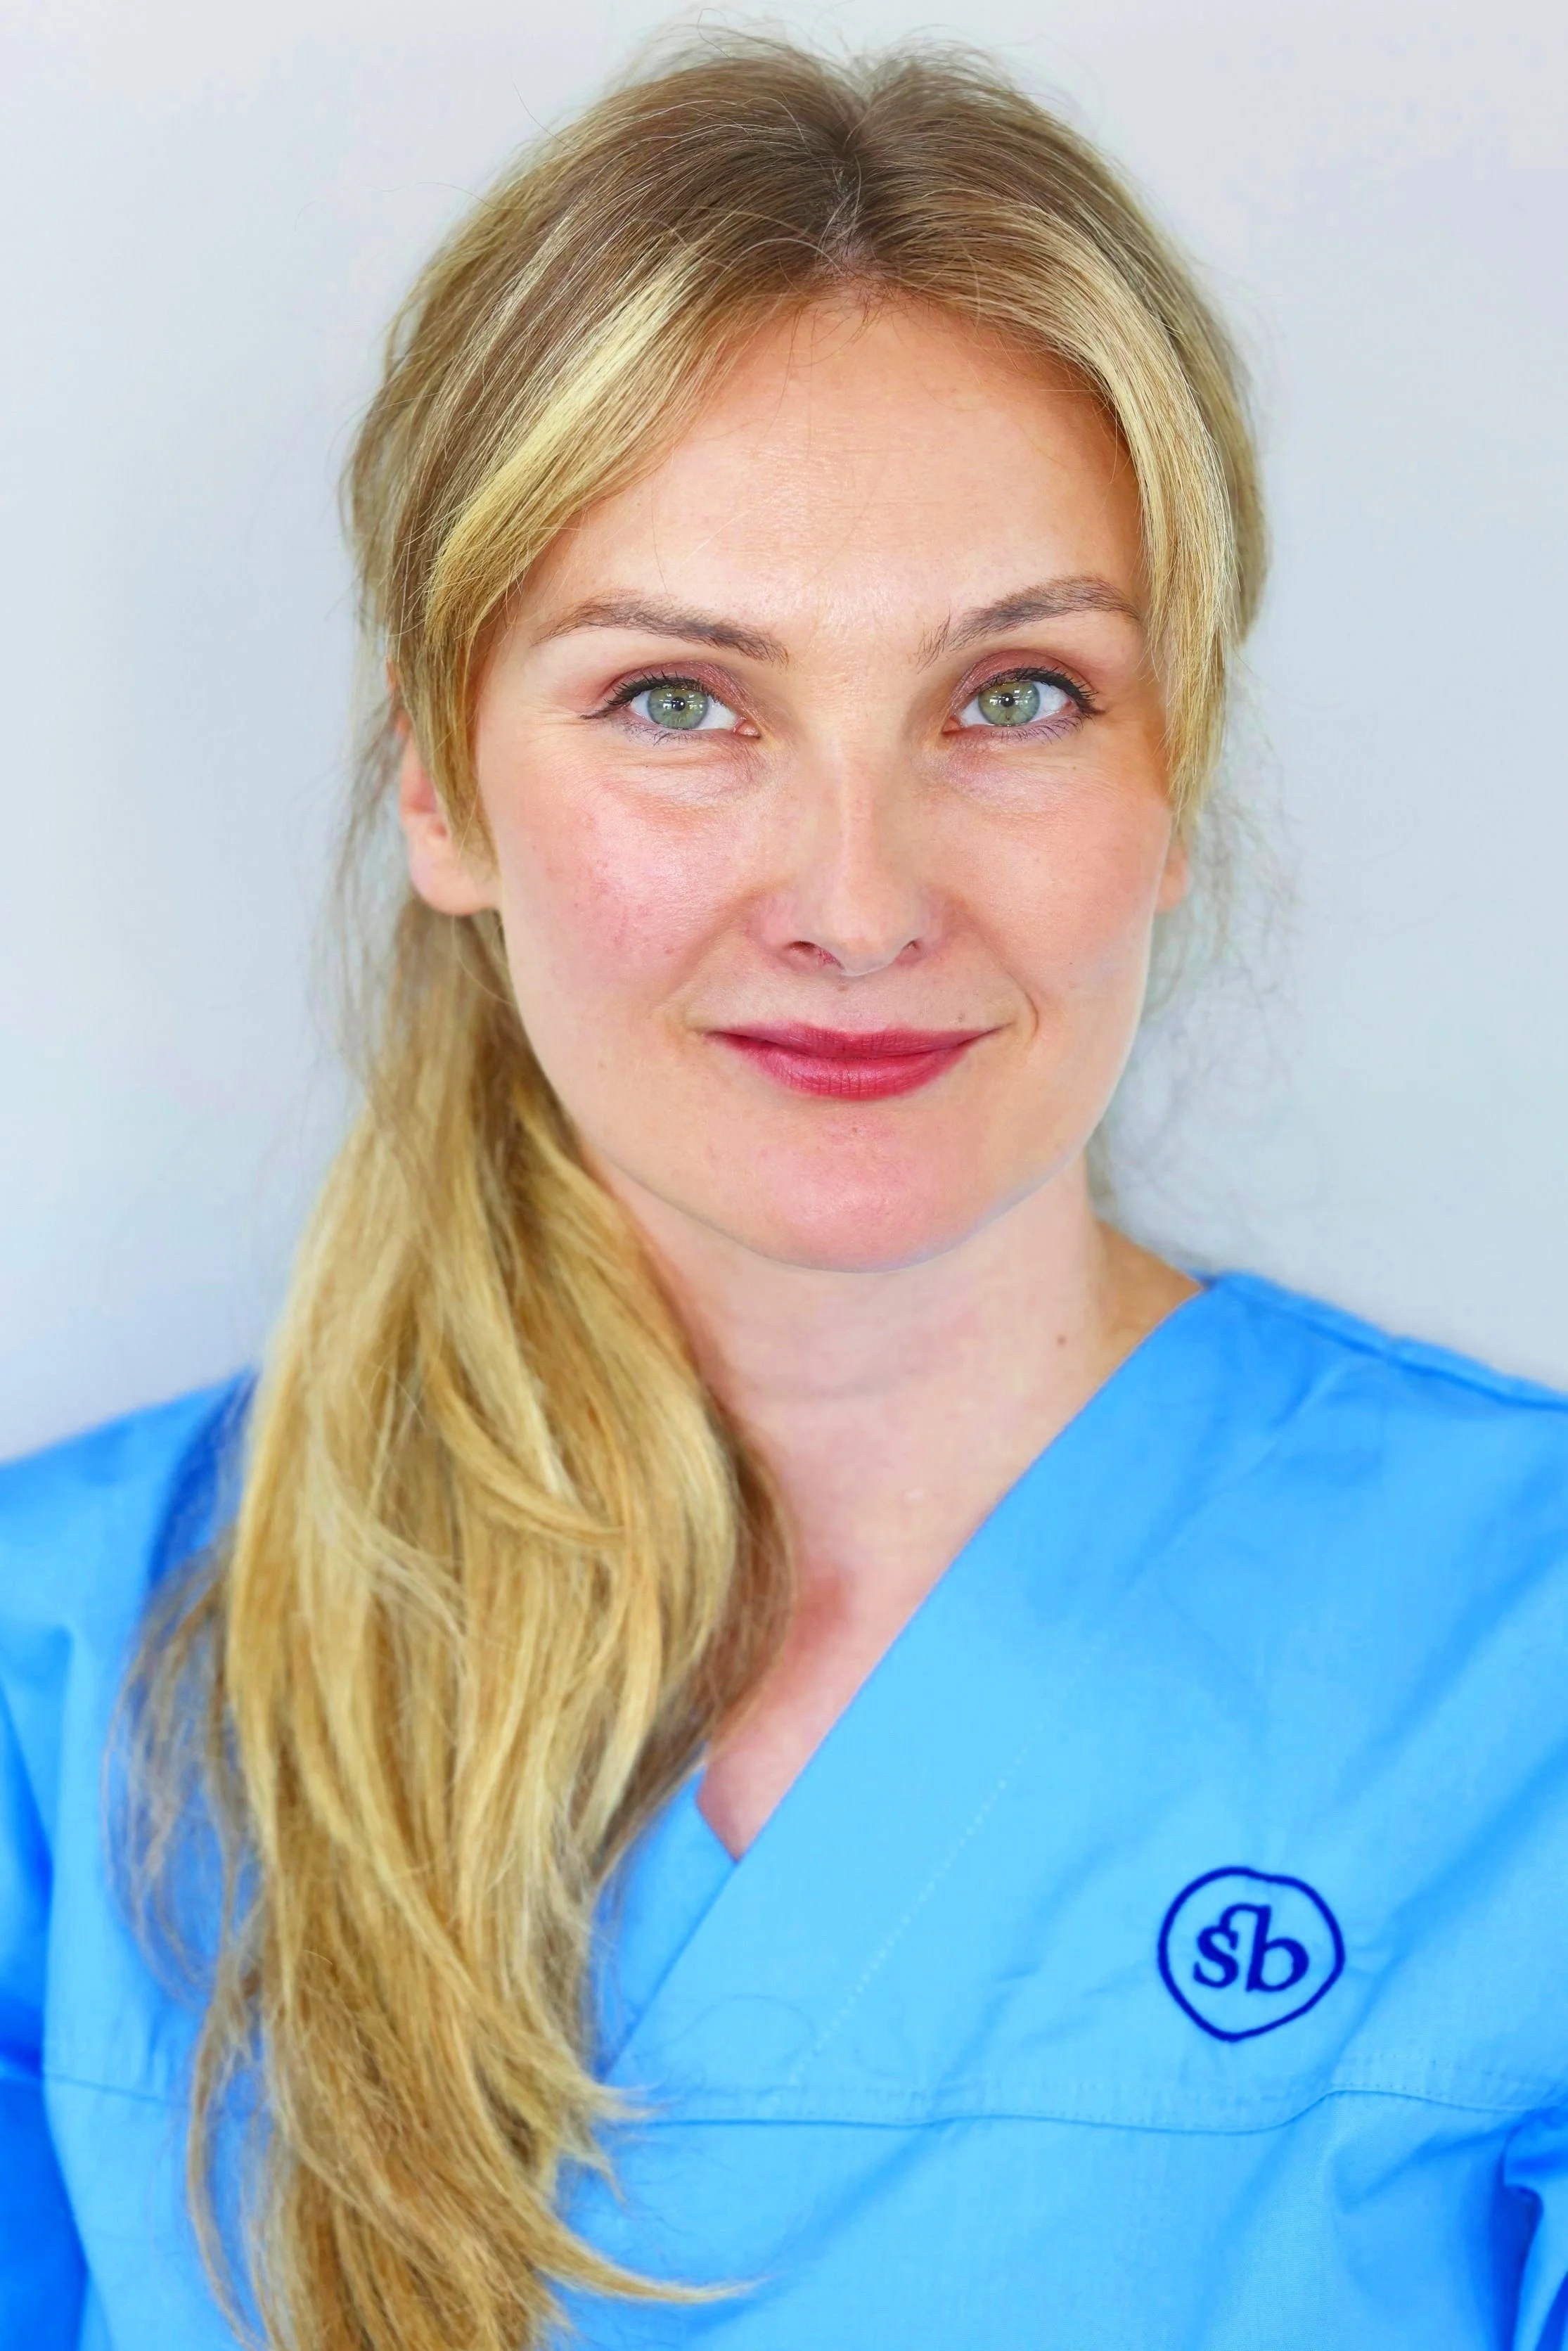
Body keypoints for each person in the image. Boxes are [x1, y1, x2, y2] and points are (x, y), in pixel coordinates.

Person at [2, 34, 1566, 2351]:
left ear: (1177, 768)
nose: (854, 895)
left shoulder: (1514, 1667)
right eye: (675, 701)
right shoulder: (66, 1690)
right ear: (441, 782)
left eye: (1016, 694)